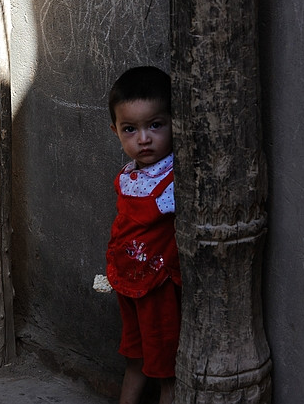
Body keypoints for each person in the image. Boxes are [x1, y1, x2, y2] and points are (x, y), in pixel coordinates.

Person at [106, 66, 182, 404]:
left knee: (167, 372)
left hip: (158, 289)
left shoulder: (175, 179)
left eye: (155, 125)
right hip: (128, 284)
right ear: (116, 132)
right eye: (130, 129)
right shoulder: (129, 174)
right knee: (134, 358)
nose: (144, 138)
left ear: (174, 123)